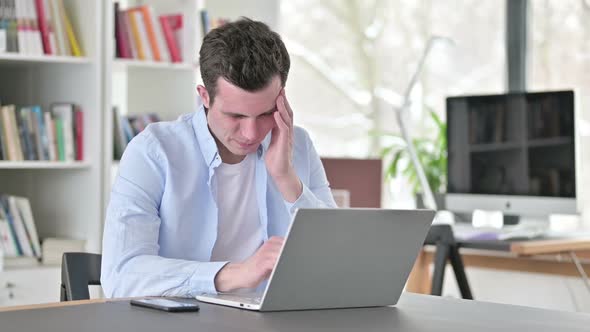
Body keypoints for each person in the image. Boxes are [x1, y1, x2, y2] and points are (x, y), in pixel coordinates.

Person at [101, 18, 337, 298]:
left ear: (282, 100)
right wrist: (235, 273)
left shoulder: (298, 146)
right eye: (235, 115)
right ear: (204, 96)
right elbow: (121, 275)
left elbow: (335, 260)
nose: (251, 133)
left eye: (264, 114)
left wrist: (287, 179)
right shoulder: (154, 151)